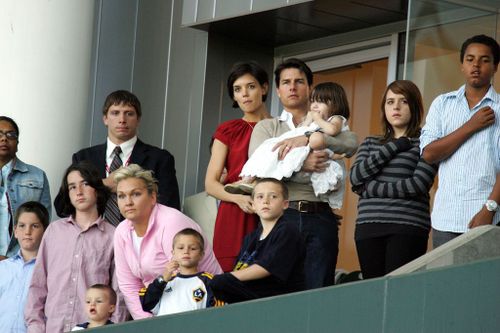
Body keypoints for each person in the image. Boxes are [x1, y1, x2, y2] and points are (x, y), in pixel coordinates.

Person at [249, 58, 358, 289]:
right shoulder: (268, 127)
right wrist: (302, 163)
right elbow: (261, 173)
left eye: (299, 81)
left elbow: (351, 143)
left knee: (317, 291)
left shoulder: (329, 123)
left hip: (320, 216)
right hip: (280, 218)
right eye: (286, 82)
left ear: (310, 87)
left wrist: (308, 139)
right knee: (274, 290)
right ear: (277, 91)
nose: (292, 87)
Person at [350, 80, 438, 278]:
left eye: (403, 101)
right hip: (368, 226)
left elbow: (417, 184)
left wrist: (369, 189)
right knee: (374, 292)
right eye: (390, 102)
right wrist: (396, 146)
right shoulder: (371, 142)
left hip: (407, 226)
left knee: (400, 292)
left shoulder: (426, 142)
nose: (396, 107)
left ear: (414, 106)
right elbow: (355, 177)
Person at [25, 162, 126, 333]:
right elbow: (38, 286)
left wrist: (111, 329)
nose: (78, 191)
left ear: (97, 188)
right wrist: (35, 328)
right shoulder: (54, 231)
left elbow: (119, 293)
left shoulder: (113, 236)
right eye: (72, 187)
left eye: (85, 184)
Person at [54, 90, 180, 225]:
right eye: (115, 113)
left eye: (129, 113)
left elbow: (170, 208)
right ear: (105, 119)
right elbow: (62, 208)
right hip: (93, 238)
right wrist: (105, 184)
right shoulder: (83, 157)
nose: (122, 120)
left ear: (138, 119)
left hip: (139, 238)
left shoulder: (160, 159)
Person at [420, 35, 500, 248]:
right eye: (470, 59)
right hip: (445, 217)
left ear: (495, 67)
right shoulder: (442, 104)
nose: (476, 65)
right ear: (462, 65)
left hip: (486, 216)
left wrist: (489, 209)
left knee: (482, 281)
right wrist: (471, 126)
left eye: (484, 60)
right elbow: (429, 153)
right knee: (444, 281)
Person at [113, 164, 222, 320]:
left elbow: (184, 279)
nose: (128, 202)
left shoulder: (171, 221)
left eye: (136, 194)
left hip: (200, 307)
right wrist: (147, 324)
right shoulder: (121, 232)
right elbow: (128, 285)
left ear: (152, 197)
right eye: (121, 196)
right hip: (161, 311)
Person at [234, 82, 350, 209]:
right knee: (269, 148)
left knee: (288, 158)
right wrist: (309, 120)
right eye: (313, 101)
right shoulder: (311, 116)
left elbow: (332, 130)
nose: (315, 106)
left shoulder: (336, 118)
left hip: (315, 149)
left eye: (321, 102)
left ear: (335, 104)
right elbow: (303, 129)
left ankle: (256, 178)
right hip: (303, 145)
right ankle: (249, 177)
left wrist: (317, 119)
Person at [205, 61, 272, 272]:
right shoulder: (228, 130)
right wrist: (238, 198)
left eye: (251, 86)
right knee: (232, 277)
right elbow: (210, 184)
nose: (244, 94)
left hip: (272, 208)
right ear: (233, 96)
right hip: (235, 211)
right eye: (237, 89)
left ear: (264, 88)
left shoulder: (282, 127)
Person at [210, 178, 305, 303]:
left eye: (273, 196)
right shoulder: (251, 237)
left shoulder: (286, 230)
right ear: (253, 205)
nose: (266, 201)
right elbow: (239, 269)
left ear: (285, 204)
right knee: (217, 285)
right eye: (260, 197)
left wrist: (227, 277)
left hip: (278, 295)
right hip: (252, 292)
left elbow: (266, 268)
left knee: (220, 282)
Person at [140, 228, 223, 316]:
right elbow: (146, 304)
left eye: (193, 248)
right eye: (180, 248)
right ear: (173, 253)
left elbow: (217, 313)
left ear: (201, 255)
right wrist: (162, 280)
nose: (186, 251)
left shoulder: (209, 281)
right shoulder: (164, 282)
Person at [0, 116, 51, 259]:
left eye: (10, 135)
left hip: (22, 260)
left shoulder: (37, 176)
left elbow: (44, 223)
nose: (4, 139)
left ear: (17, 143)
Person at [0, 201, 49, 333]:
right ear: (15, 231)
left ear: (45, 231)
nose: (27, 231)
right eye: (22, 226)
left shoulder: (50, 270)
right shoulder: (2, 269)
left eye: (34, 226)